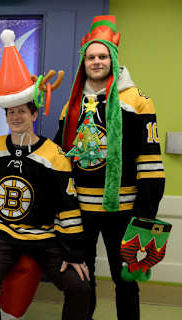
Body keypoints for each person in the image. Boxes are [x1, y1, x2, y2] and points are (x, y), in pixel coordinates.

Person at [0, 29, 90, 320]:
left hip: (45, 237)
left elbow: (69, 208)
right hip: (2, 235)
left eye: (22, 111)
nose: (16, 117)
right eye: (11, 112)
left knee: (80, 286)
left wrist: (74, 253)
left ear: (35, 114)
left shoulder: (55, 156)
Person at [54, 15, 165, 320]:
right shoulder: (73, 104)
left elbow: (151, 163)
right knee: (80, 279)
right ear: (84, 61)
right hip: (80, 211)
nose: (97, 61)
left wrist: (145, 218)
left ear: (113, 58)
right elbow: (59, 158)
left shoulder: (138, 102)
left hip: (124, 210)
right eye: (91, 57)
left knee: (126, 281)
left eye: (102, 56)